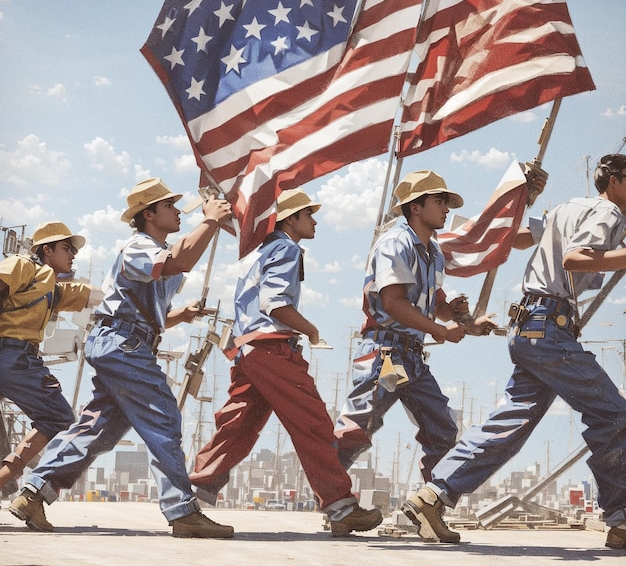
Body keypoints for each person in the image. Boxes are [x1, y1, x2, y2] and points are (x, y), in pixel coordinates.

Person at [401, 154, 626, 551]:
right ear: (617, 182)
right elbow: (576, 259)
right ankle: (621, 518)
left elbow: (517, 237)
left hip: (531, 328)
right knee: (612, 413)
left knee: (512, 422)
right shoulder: (609, 211)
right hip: (550, 330)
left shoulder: (569, 209)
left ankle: (434, 495)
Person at [9, 178, 235, 539]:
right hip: (123, 344)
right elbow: (178, 261)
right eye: (169, 206)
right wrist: (208, 220)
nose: (178, 212)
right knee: (163, 416)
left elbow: (144, 306)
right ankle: (182, 511)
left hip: (124, 342)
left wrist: (181, 315)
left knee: (100, 429)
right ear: (149, 214)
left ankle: (34, 492)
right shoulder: (138, 247)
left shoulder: (153, 249)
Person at [189, 188, 383, 537]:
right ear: (290, 219)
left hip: (248, 350)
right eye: (308, 214)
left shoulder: (260, 251)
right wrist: (310, 330)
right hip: (273, 349)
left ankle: (192, 494)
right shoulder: (288, 249)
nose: (315, 221)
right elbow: (275, 303)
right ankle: (341, 507)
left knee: (238, 425)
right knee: (313, 424)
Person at [333, 170, 496, 481]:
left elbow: (438, 306)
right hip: (386, 353)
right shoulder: (395, 243)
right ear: (415, 207)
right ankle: (332, 498)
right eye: (439, 201)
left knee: (442, 428)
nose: (447, 209)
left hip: (410, 357)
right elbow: (394, 303)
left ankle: (430, 502)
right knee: (358, 428)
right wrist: (440, 331)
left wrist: (464, 319)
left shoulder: (433, 252)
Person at [0, 222, 101, 496]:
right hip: (13, 357)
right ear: (47, 250)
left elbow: (92, 295)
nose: (73, 255)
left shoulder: (49, 287)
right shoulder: (21, 265)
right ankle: (6, 477)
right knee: (57, 414)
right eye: (67, 248)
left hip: (14, 357)